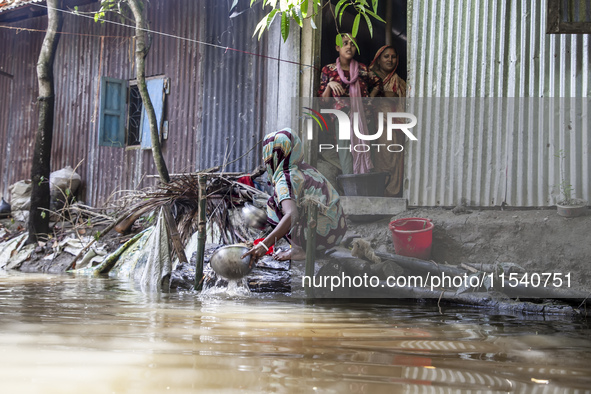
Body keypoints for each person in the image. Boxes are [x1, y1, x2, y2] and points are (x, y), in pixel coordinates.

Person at [242, 128, 347, 262]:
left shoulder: (285, 178)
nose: (264, 158)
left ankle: (299, 250)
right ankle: (306, 246)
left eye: (266, 153)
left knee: (273, 204)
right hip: (336, 231)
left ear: (273, 154)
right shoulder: (304, 169)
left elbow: (292, 215)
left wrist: (264, 245)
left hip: (321, 235)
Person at [317, 33, 382, 175]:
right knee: (345, 152)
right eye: (345, 43)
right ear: (337, 47)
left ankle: (364, 188)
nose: (349, 47)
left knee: (366, 150)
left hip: (365, 117)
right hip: (342, 118)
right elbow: (323, 101)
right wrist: (329, 85)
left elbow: (378, 83)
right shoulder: (329, 70)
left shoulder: (363, 69)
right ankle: (350, 188)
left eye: (353, 44)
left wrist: (368, 100)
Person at [369, 45, 407, 197]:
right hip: (374, 124)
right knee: (378, 157)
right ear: (378, 60)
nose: (390, 60)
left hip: (394, 124)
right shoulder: (369, 76)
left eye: (393, 57)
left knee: (394, 158)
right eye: (386, 56)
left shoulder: (398, 80)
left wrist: (381, 94)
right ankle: (379, 192)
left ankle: (392, 193)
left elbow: (397, 97)